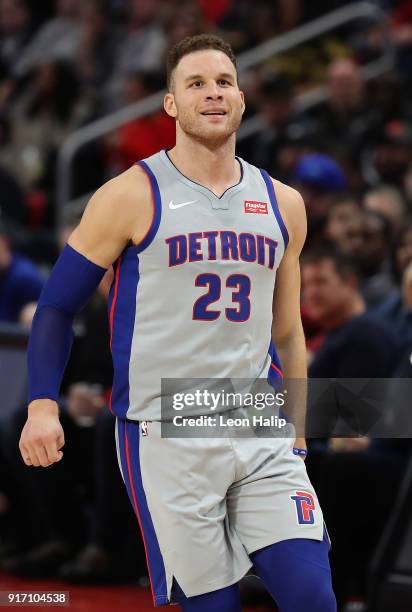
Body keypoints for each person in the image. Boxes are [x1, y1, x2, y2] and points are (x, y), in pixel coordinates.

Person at [19, 34, 336, 611]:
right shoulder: (128, 194)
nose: (212, 93)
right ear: (170, 104)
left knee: (312, 594)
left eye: (223, 82)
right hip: (165, 429)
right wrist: (42, 403)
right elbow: (56, 307)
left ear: (241, 99)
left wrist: (297, 425)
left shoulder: (284, 202)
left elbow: (287, 331)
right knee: (212, 606)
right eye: (195, 83)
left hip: (256, 419)